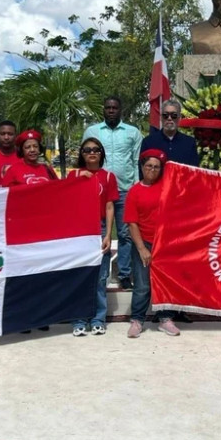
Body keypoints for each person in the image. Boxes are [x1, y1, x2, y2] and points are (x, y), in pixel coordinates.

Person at [83, 96, 142, 290]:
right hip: (99, 190)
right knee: (99, 233)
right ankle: (99, 273)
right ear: (103, 110)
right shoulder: (92, 131)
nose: (111, 110)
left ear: (120, 110)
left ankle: (124, 273)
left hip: (125, 189)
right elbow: (85, 157)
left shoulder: (132, 132)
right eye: (108, 107)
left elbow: (135, 161)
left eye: (114, 107)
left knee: (125, 234)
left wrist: (135, 186)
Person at [125, 149, 181, 338]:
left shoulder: (168, 187)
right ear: (142, 167)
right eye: (149, 166)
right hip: (145, 243)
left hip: (165, 244)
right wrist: (141, 248)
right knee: (142, 285)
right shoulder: (134, 192)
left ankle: (165, 319)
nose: (152, 170)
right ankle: (137, 320)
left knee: (165, 283)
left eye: (157, 167)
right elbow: (132, 223)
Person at [67, 138, 119, 336]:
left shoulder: (108, 177)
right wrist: (80, 176)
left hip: (99, 227)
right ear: (81, 153)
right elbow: (67, 201)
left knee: (100, 277)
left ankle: (98, 318)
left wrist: (107, 234)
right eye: (87, 149)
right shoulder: (74, 175)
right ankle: (79, 319)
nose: (92, 153)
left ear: (101, 153)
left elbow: (109, 206)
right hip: (80, 230)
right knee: (79, 276)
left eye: (96, 150)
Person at [141, 99, 198, 166]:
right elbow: (142, 170)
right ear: (161, 118)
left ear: (179, 118)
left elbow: (194, 171)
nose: (169, 118)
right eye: (165, 115)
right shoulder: (148, 142)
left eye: (174, 115)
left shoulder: (189, 143)